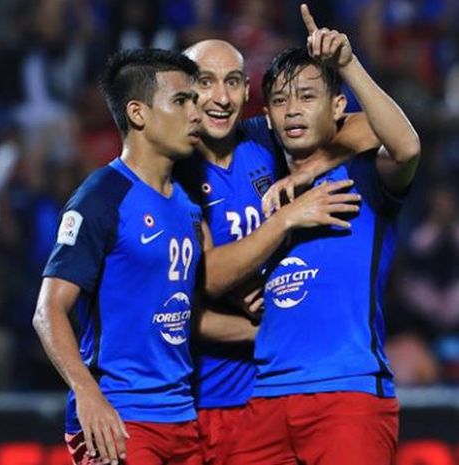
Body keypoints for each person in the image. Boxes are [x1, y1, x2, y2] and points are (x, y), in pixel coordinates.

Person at [33, 48, 360, 465]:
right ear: (138, 114)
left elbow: (184, 308)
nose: (198, 111)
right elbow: (48, 310)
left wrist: (260, 317)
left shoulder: (186, 208)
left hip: (181, 417)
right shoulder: (102, 198)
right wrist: (87, 393)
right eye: (183, 100)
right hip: (119, 416)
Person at [227, 5, 421, 465]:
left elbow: (406, 145)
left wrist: (348, 65)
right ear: (268, 118)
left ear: (338, 107)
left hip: (347, 392)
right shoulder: (263, 185)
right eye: (279, 100)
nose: (293, 109)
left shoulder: (367, 176)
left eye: (308, 96)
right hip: (265, 397)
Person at [179, 38, 379, 465]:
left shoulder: (261, 138)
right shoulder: (176, 171)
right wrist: (285, 220)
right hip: (208, 396)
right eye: (205, 82)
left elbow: (375, 127)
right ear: (184, 91)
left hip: (279, 388)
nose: (220, 97)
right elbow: (208, 279)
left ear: (248, 94)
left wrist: (308, 168)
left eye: (233, 82)